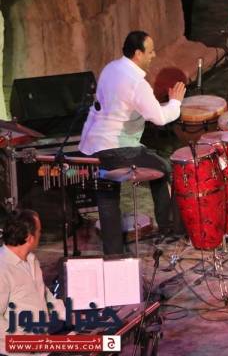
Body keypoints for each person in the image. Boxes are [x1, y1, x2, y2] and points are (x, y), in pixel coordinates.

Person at [79, 31, 186, 255]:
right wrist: (175, 102)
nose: (154, 55)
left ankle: (113, 254)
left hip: (94, 146)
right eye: (150, 51)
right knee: (165, 168)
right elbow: (159, 118)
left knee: (108, 197)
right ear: (138, 53)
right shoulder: (137, 83)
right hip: (119, 149)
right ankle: (169, 228)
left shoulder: (110, 69)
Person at [0, 210, 66, 353]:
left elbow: (44, 294)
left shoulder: (32, 260)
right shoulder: (2, 268)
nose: (40, 234)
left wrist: (69, 316)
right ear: (30, 238)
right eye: (39, 231)